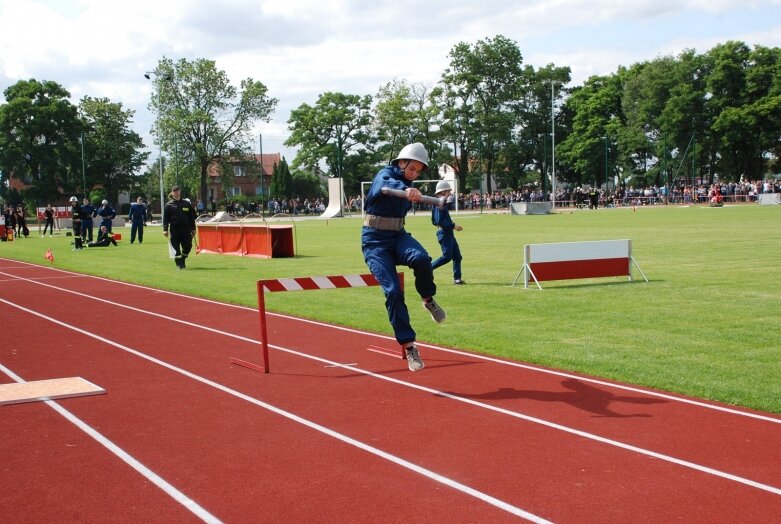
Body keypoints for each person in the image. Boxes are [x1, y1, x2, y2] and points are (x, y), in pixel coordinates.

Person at [362, 142, 445, 372]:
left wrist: (412, 190)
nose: (414, 174)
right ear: (401, 162)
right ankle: (410, 348)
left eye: (418, 171)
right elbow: (385, 185)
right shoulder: (385, 174)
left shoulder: (410, 184)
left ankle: (428, 300)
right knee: (393, 291)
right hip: (375, 242)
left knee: (422, 259)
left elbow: (406, 189)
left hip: (398, 236)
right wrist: (405, 189)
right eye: (412, 169)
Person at [431, 180, 465, 285]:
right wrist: (453, 225)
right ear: (442, 192)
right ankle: (427, 268)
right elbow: (438, 221)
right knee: (447, 257)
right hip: (444, 233)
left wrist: (451, 224)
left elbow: (435, 221)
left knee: (457, 257)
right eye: (448, 191)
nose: (449, 193)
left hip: (448, 233)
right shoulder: (438, 203)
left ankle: (457, 279)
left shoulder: (441, 203)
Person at [163, 186, 196, 270]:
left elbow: (191, 217)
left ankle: (183, 259)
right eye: (174, 191)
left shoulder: (186, 203)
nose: (176, 192)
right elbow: (165, 219)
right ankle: (179, 264)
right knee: (176, 248)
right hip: (174, 230)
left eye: (177, 190)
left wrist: (193, 228)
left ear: (180, 192)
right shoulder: (169, 205)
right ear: (172, 193)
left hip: (186, 229)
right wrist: (165, 229)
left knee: (188, 246)